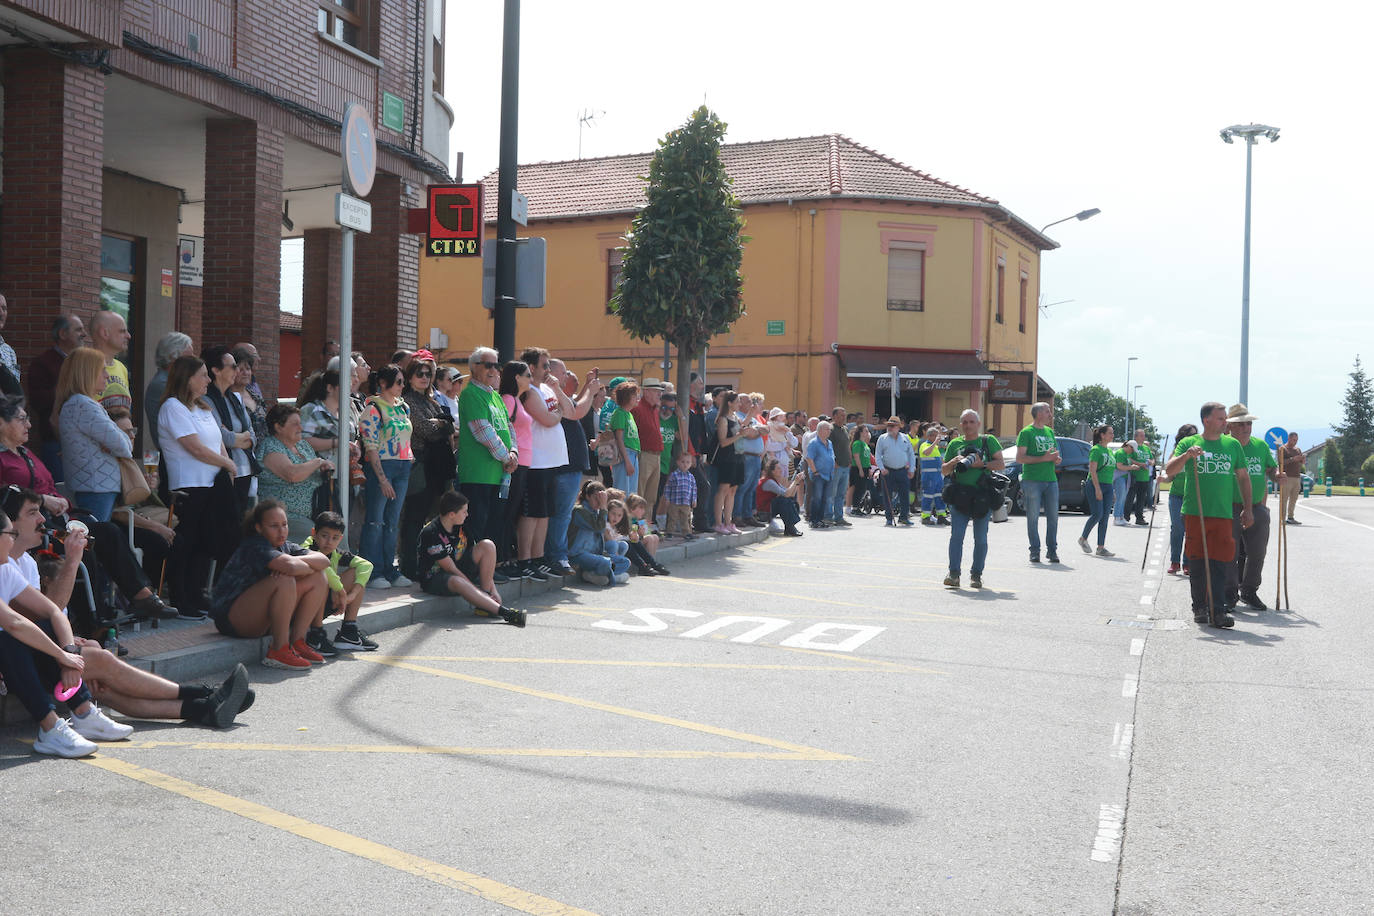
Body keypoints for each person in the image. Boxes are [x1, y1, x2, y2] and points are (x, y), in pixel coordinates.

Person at [2, 488, 249, 730]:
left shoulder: (25, 562)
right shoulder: (6, 566)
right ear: (9, 522)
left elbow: (48, 615)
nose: (43, 519)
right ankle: (204, 693)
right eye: (33, 513)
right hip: (19, 662)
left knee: (103, 681)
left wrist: (70, 643)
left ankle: (203, 708)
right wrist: (73, 561)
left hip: (42, 651)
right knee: (101, 659)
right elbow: (42, 615)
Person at [0, 396, 181, 627]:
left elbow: (48, 485)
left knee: (106, 532)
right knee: (87, 545)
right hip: (34, 530)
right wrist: (44, 500)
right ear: (2, 423)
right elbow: (5, 497)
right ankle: (92, 621)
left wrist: (57, 499)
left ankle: (140, 596)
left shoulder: (26, 454)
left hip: (57, 521)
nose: (29, 425)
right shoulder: (3, 459)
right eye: (22, 419)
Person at [159, 355, 241, 614]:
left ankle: (199, 592)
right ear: (188, 378)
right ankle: (182, 597)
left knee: (208, 542)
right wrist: (227, 465)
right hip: (188, 485)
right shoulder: (173, 407)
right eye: (203, 375)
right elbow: (193, 447)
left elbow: (217, 443)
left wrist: (227, 467)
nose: (208, 379)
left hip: (213, 484)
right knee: (189, 543)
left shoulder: (203, 407)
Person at [211, 500, 333, 669]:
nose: (282, 531)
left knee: (319, 577)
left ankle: (297, 643)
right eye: (274, 526)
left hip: (260, 618)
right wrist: (294, 566)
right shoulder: (254, 545)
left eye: (284, 524)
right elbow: (290, 567)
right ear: (259, 528)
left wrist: (296, 564)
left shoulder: (285, 546)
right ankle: (278, 650)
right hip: (234, 620)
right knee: (284, 579)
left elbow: (323, 560)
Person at [1164, 402, 1253, 628]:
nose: (1226, 422)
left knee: (1221, 561)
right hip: (1196, 512)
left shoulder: (1232, 445)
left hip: (1222, 513)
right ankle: (1200, 608)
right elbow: (1170, 470)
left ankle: (1219, 610)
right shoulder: (1189, 442)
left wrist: (1248, 507)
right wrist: (1186, 456)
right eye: (1221, 418)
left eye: (1225, 418)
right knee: (1198, 561)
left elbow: (1243, 477)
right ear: (1207, 420)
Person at [416, 490, 526, 627]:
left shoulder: (461, 526)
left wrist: (492, 591)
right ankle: (505, 613)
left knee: (487, 545)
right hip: (436, 577)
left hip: (459, 568)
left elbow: (477, 556)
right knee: (457, 581)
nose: (467, 515)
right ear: (451, 515)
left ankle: (485, 605)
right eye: (464, 512)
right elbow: (450, 568)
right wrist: (476, 591)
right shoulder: (431, 532)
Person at [56, 347, 133, 522]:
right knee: (94, 541)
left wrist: (111, 443)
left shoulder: (76, 403)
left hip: (95, 486)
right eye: (102, 370)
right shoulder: (83, 405)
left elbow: (118, 443)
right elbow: (124, 446)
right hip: (96, 487)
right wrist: (116, 442)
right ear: (87, 373)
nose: (107, 375)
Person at [456, 346, 518, 558]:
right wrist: (506, 456)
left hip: (498, 474)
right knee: (477, 525)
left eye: (496, 365)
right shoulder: (471, 394)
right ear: (474, 367)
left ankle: (489, 569)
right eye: (488, 365)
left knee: (494, 524)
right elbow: (482, 431)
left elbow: (509, 427)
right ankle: (473, 570)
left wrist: (514, 452)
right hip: (477, 473)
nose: (494, 370)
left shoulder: (495, 396)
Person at [518, 347, 573, 580]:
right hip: (535, 462)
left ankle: (539, 559)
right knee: (531, 514)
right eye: (544, 365)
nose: (548, 370)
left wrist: (558, 391)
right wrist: (558, 412)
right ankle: (525, 559)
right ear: (531, 368)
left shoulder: (548, 389)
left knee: (545, 514)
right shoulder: (529, 392)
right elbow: (548, 419)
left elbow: (569, 411)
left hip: (552, 463)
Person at [399, 357, 456, 581]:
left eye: (427, 374)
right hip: (420, 465)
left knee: (433, 517)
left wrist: (442, 423)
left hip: (438, 466)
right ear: (410, 377)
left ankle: (427, 563)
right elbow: (427, 430)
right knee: (414, 517)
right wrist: (441, 423)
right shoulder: (408, 401)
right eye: (419, 374)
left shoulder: (431, 401)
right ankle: (409, 567)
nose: (424, 378)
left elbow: (449, 426)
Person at [358, 364, 414, 589]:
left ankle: (390, 569)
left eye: (403, 382)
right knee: (375, 520)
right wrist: (382, 479)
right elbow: (370, 446)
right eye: (398, 382)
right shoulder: (373, 408)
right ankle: (373, 571)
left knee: (392, 521)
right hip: (382, 465)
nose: (402, 386)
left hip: (403, 465)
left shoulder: (403, 408)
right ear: (383, 383)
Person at [544, 359, 600, 577]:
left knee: (559, 513)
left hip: (567, 465)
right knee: (561, 514)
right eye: (564, 373)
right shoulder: (550, 394)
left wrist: (588, 387)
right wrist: (592, 391)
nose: (567, 376)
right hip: (563, 466)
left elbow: (575, 403)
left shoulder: (556, 395)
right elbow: (576, 411)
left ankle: (555, 554)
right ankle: (557, 556)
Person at [940, 410, 1004, 589]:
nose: (968, 425)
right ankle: (953, 574)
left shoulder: (988, 441)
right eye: (965, 422)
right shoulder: (955, 443)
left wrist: (981, 464)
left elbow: (1001, 464)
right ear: (961, 425)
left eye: (971, 422)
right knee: (956, 537)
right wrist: (953, 462)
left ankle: (976, 575)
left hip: (982, 496)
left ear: (978, 423)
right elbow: (944, 471)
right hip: (959, 495)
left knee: (981, 538)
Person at [1224, 403, 1279, 611]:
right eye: (1241, 424)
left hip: (1257, 507)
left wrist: (1277, 476)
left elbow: (1271, 469)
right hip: (1229, 507)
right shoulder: (1225, 445)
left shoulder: (1261, 446)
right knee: (1230, 552)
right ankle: (1229, 594)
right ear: (1230, 426)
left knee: (1258, 552)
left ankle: (1249, 590)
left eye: (1248, 423)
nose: (1247, 427)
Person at [299, 511, 377, 653]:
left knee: (357, 573)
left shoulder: (336, 553)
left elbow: (367, 565)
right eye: (324, 536)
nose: (329, 542)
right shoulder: (305, 549)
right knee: (321, 579)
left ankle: (348, 631)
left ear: (340, 539)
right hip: (303, 609)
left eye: (335, 538)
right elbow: (322, 566)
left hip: (327, 603)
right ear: (313, 533)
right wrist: (340, 591)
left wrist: (351, 595)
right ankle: (315, 636)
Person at [257, 404, 333, 541]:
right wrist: (318, 462)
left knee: (337, 536)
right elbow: (292, 474)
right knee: (323, 541)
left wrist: (323, 467)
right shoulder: (271, 446)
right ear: (278, 427)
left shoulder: (302, 445)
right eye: (295, 424)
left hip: (315, 512)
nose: (301, 428)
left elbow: (309, 469)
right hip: (286, 517)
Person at [26, 314, 87, 480]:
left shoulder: (82, 363)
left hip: (83, 442)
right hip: (56, 441)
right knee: (61, 493)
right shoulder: (43, 363)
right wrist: (67, 389)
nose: (84, 334)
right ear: (62, 334)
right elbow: (38, 401)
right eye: (78, 330)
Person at [496, 360, 539, 579]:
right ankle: (501, 559)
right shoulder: (508, 400)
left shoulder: (518, 401)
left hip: (524, 462)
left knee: (513, 512)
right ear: (517, 378)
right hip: (514, 462)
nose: (531, 379)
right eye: (527, 375)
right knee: (506, 512)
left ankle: (505, 556)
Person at [202, 345, 257, 511]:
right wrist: (240, 437)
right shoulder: (206, 399)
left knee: (243, 523)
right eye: (233, 366)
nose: (238, 371)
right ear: (216, 370)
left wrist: (237, 437)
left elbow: (253, 435)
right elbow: (219, 436)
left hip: (246, 469)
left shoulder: (235, 398)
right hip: (224, 473)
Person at [1015, 401, 1062, 563]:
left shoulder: (1049, 431)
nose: (1050, 414)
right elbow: (1020, 458)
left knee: (1053, 517)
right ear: (1039, 413)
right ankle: (1034, 551)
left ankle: (1052, 550)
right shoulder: (1026, 432)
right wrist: (1044, 458)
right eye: (1048, 411)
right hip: (1032, 480)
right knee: (1033, 517)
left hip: (1051, 480)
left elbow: (1053, 454)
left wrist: (1055, 459)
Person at [569, 480, 629, 586]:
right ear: (587, 496)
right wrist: (603, 507)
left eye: (600, 499)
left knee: (625, 562)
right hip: (578, 554)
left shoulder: (596, 512)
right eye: (596, 498)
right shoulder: (579, 510)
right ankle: (608, 576)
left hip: (594, 554)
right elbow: (599, 528)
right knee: (605, 562)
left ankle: (592, 574)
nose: (599, 502)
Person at [145, 331, 194, 449]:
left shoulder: (173, 382)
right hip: (173, 456)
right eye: (189, 357)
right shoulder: (162, 385)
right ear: (173, 356)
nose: (193, 361)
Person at [1164, 423, 1198, 576]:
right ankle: (1174, 561)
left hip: (1193, 496)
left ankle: (1188, 563)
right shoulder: (1175, 455)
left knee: (1191, 530)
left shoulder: (1199, 454)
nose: (1193, 438)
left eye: (1195, 435)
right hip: (1177, 495)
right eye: (1190, 435)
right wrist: (1162, 478)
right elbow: (1169, 476)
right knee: (1178, 529)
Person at [1079, 425, 1116, 557]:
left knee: (1105, 517)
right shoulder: (1096, 450)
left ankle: (1101, 547)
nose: (1112, 435)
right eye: (1110, 433)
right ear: (1102, 435)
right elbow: (1092, 471)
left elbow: (1110, 472)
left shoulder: (1110, 451)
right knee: (1097, 514)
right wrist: (1097, 489)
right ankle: (1083, 538)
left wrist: (1112, 490)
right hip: (1095, 484)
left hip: (1108, 486)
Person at [731, 394, 766, 527]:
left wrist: (755, 430)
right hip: (745, 456)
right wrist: (756, 430)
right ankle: (737, 516)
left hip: (756, 457)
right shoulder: (738, 416)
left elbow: (766, 429)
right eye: (748, 402)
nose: (752, 404)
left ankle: (748, 515)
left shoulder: (754, 418)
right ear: (740, 403)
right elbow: (745, 432)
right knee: (742, 487)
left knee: (751, 488)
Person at [875, 416, 916, 527]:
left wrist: (912, 469)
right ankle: (889, 518)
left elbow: (911, 454)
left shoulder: (905, 438)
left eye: (892, 425)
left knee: (904, 495)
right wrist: (882, 469)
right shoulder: (882, 438)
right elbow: (877, 455)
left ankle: (903, 517)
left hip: (903, 470)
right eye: (889, 425)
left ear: (898, 427)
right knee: (887, 494)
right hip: (888, 471)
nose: (890, 427)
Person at [632, 377, 666, 506]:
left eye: (660, 391)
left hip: (656, 456)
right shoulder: (637, 409)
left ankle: (645, 525)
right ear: (646, 392)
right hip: (643, 455)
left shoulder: (654, 410)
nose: (660, 394)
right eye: (656, 391)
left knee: (651, 497)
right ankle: (635, 525)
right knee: (639, 494)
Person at [88, 309, 132, 405]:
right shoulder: (85, 368)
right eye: (122, 331)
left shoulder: (121, 368)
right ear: (104, 333)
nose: (128, 336)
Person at [606, 380, 642, 497]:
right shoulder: (619, 413)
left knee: (631, 494)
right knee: (622, 493)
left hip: (633, 455)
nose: (637, 398)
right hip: (624, 455)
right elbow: (619, 439)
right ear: (626, 397)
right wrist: (627, 461)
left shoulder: (629, 414)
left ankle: (629, 515)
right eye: (634, 396)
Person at [230, 344, 270, 445]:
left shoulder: (256, 397)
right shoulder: (227, 398)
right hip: (243, 451)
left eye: (248, 369)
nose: (245, 373)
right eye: (241, 369)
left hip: (264, 452)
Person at [757, 456, 804, 536]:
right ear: (772, 471)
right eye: (778, 468)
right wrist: (795, 481)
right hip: (761, 514)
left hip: (767, 510)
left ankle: (789, 527)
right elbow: (787, 494)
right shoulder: (769, 482)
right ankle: (790, 527)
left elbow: (790, 494)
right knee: (783, 500)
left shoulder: (774, 481)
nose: (781, 470)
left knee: (789, 500)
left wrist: (797, 482)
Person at [804, 420, 836, 529]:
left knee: (825, 498)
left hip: (829, 475)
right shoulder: (814, 443)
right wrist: (815, 472)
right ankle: (814, 520)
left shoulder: (830, 443)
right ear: (820, 430)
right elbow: (809, 458)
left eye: (829, 429)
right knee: (817, 498)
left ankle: (820, 520)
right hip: (819, 475)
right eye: (827, 429)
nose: (829, 431)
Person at [825, 407, 853, 527]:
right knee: (832, 493)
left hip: (846, 466)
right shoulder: (831, 429)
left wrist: (850, 459)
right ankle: (828, 516)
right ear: (834, 416)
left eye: (844, 415)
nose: (843, 418)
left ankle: (839, 517)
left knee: (841, 493)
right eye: (841, 415)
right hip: (836, 466)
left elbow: (847, 446)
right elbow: (828, 447)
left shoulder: (845, 429)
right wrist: (834, 462)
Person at [917, 422, 948, 525]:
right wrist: (935, 443)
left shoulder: (936, 447)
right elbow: (926, 453)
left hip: (938, 477)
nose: (938, 437)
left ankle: (941, 517)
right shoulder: (924, 445)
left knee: (940, 496)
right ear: (930, 436)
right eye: (936, 435)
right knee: (928, 496)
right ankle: (925, 517)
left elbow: (941, 461)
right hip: (928, 477)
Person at [663, 451, 698, 539]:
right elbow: (668, 487)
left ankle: (687, 533)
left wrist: (694, 500)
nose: (685, 464)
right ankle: (670, 532)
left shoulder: (691, 477)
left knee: (685, 518)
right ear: (678, 462)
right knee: (672, 517)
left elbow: (694, 489)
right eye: (683, 462)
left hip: (686, 502)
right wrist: (667, 498)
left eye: (687, 462)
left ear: (691, 464)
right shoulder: (674, 475)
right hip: (674, 501)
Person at [1276, 431, 1304, 524]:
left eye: (1296, 440)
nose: (1295, 442)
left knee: (1293, 499)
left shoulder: (1298, 450)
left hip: (1297, 477)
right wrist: (1292, 459)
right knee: (1284, 499)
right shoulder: (1283, 449)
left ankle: (1290, 517)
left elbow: (1300, 463)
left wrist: (1302, 460)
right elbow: (1280, 462)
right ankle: (1282, 519)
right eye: (1293, 440)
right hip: (1287, 477)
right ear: (1289, 438)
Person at [1111, 440, 1139, 527]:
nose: (1132, 451)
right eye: (1132, 449)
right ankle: (1116, 518)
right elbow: (1119, 466)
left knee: (1123, 498)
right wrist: (1131, 467)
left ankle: (1120, 517)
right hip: (1119, 478)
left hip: (1124, 477)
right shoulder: (1120, 453)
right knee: (1120, 498)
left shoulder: (1125, 453)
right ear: (1129, 446)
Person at [848, 422, 873, 516]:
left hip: (866, 468)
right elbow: (856, 456)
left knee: (863, 488)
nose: (867, 432)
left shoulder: (865, 444)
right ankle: (855, 508)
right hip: (858, 468)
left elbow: (867, 458)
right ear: (861, 432)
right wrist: (860, 469)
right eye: (865, 431)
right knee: (858, 488)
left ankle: (857, 506)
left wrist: (869, 469)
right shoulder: (857, 443)